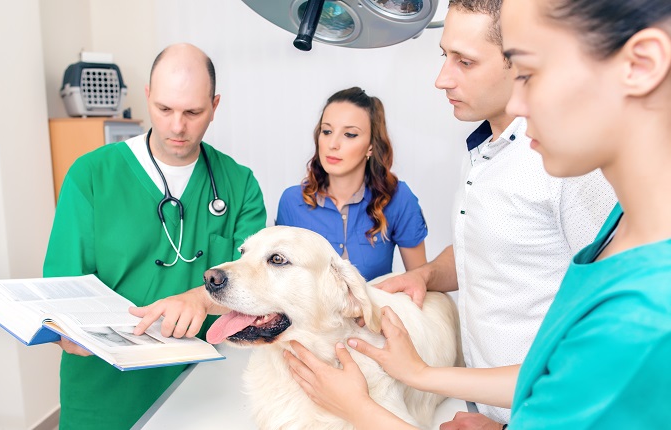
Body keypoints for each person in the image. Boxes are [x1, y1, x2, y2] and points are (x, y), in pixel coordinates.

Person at [285, 0, 671, 428]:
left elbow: (594, 375)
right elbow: (566, 373)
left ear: (641, 64)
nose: (518, 106)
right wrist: (425, 368)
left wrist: (359, 408)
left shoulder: (644, 305)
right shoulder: (487, 152)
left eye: (527, 71)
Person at [43, 43, 267, 429]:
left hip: (201, 380)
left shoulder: (239, 183)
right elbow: (63, 284)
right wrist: (61, 328)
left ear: (215, 105)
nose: (177, 126)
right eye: (164, 109)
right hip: (104, 388)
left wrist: (199, 297)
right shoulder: (91, 175)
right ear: (147, 96)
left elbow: (257, 283)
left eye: (193, 112)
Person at [276, 87, 428, 281]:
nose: (333, 144)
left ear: (371, 146)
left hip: (377, 311)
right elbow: (280, 284)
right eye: (327, 131)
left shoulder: (398, 198)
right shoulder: (291, 202)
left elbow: (420, 282)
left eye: (350, 134)